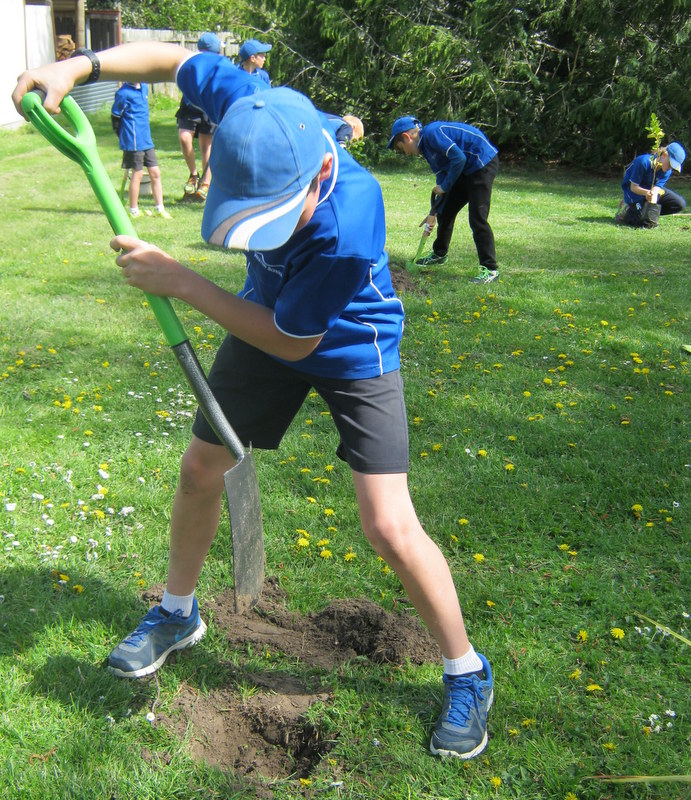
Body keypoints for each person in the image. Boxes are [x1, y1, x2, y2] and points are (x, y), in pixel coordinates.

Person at [13, 42, 493, 761]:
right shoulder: (254, 114)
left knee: (388, 525)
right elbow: (172, 59)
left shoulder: (348, 220)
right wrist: (77, 68)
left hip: (348, 347)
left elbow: (295, 342)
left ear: (321, 172)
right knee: (199, 469)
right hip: (263, 319)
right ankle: (177, 612)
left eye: (276, 220)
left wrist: (182, 283)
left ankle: (467, 671)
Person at [388, 116, 500, 284]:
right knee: (446, 212)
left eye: (401, 147)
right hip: (465, 169)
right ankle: (439, 254)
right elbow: (443, 175)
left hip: (481, 163)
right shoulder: (426, 148)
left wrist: (445, 187)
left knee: (477, 218)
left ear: (406, 137)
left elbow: (459, 159)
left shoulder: (432, 133)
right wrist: (434, 211)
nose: (405, 153)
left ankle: (490, 269)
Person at [111, 80, 171, 219]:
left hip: (146, 140)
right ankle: (134, 210)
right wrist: (122, 136)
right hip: (133, 142)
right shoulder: (123, 93)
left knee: (155, 173)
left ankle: (160, 208)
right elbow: (115, 117)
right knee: (137, 174)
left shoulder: (144, 87)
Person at [175, 32, 224, 202]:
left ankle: (205, 184)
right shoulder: (192, 62)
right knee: (184, 138)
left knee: (206, 148)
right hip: (190, 106)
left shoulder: (219, 65)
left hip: (208, 107)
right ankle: (193, 175)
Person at [615, 142, 686, 227]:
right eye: (670, 164)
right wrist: (646, 193)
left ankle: (645, 212)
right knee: (642, 223)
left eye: (673, 167)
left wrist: (652, 208)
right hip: (634, 193)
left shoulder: (667, 171)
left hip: (649, 192)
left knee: (679, 204)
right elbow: (633, 187)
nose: (670, 168)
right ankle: (627, 209)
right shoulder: (643, 162)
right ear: (664, 155)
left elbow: (656, 189)